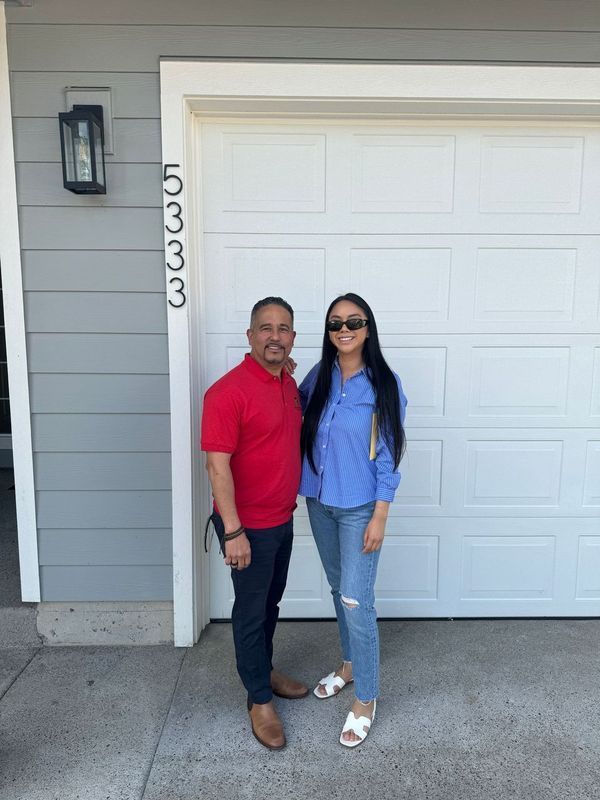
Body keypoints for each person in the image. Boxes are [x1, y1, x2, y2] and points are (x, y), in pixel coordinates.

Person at [299, 293, 407, 748]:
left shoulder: (382, 383)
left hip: (360, 506)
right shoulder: (319, 375)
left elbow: (388, 454)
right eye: (335, 322)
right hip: (320, 501)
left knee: (356, 599)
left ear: (368, 327)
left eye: (354, 321)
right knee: (337, 588)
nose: (344, 328)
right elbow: (291, 407)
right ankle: (348, 665)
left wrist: (381, 514)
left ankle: (366, 696)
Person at [201, 297, 308, 751]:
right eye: (265, 328)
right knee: (249, 612)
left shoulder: (287, 384)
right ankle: (258, 699)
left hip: (281, 519)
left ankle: (263, 671)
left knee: (270, 605)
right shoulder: (227, 392)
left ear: (292, 339)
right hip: (247, 528)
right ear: (249, 336)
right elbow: (216, 467)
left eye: (283, 329)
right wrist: (232, 531)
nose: (275, 336)